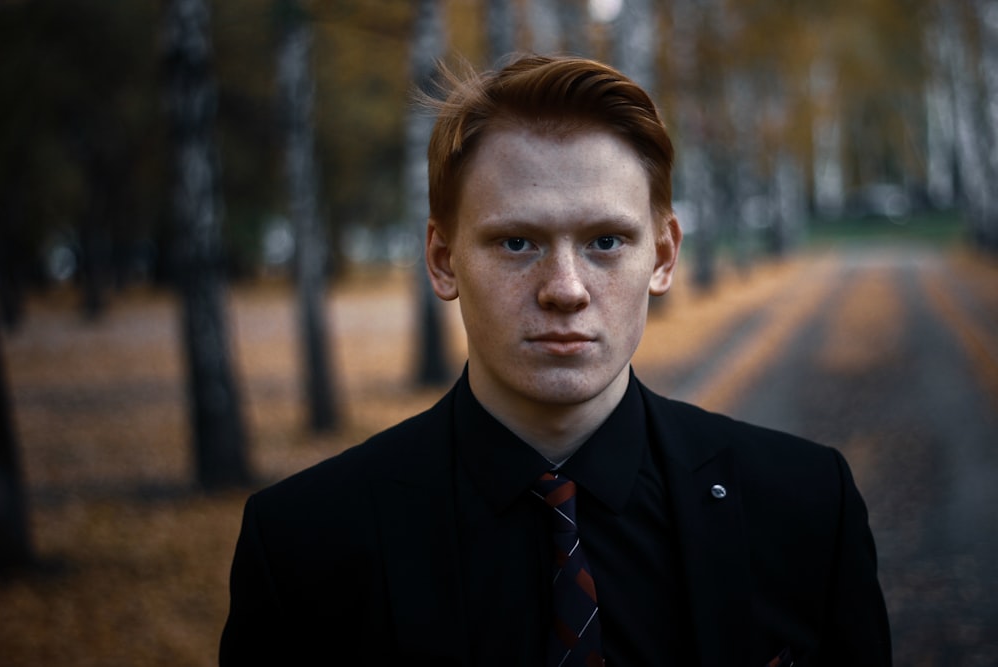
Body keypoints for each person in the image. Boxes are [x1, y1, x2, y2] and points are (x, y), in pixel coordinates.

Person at [219, 54, 891, 667]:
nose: (565, 288)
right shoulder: (305, 543)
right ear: (442, 259)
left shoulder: (805, 505)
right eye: (516, 242)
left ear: (661, 257)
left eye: (605, 240)